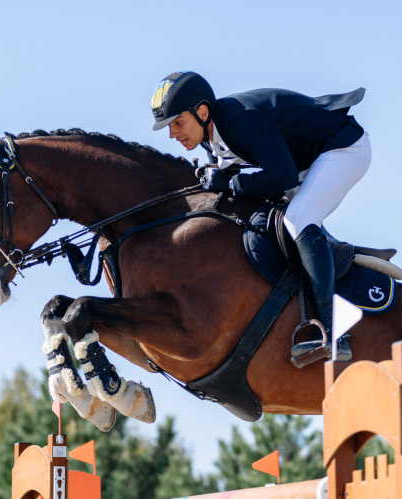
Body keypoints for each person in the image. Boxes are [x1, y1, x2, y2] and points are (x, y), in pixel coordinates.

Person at [151, 71, 371, 364]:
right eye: (170, 126)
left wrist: (230, 183)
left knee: (298, 218)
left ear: (202, 112)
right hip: (306, 160)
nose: (173, 134)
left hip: (343, 148)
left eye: (178, 122)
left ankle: (334, 331)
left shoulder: (241, 122)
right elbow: (227, 169)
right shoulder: (209, 134)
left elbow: (282, 177)